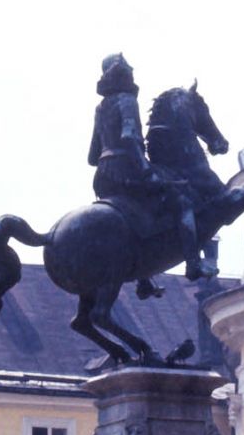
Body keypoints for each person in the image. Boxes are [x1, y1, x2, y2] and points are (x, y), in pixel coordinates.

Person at [87, 52, 209, 283]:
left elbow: (93, 156)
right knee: (181, 202)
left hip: (102, 179)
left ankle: (145, 279)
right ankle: (193, 263)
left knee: (140, 213)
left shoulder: (100, 108)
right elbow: (130, 137)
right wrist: (146, 171)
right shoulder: (127, 101)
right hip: (127, 171)